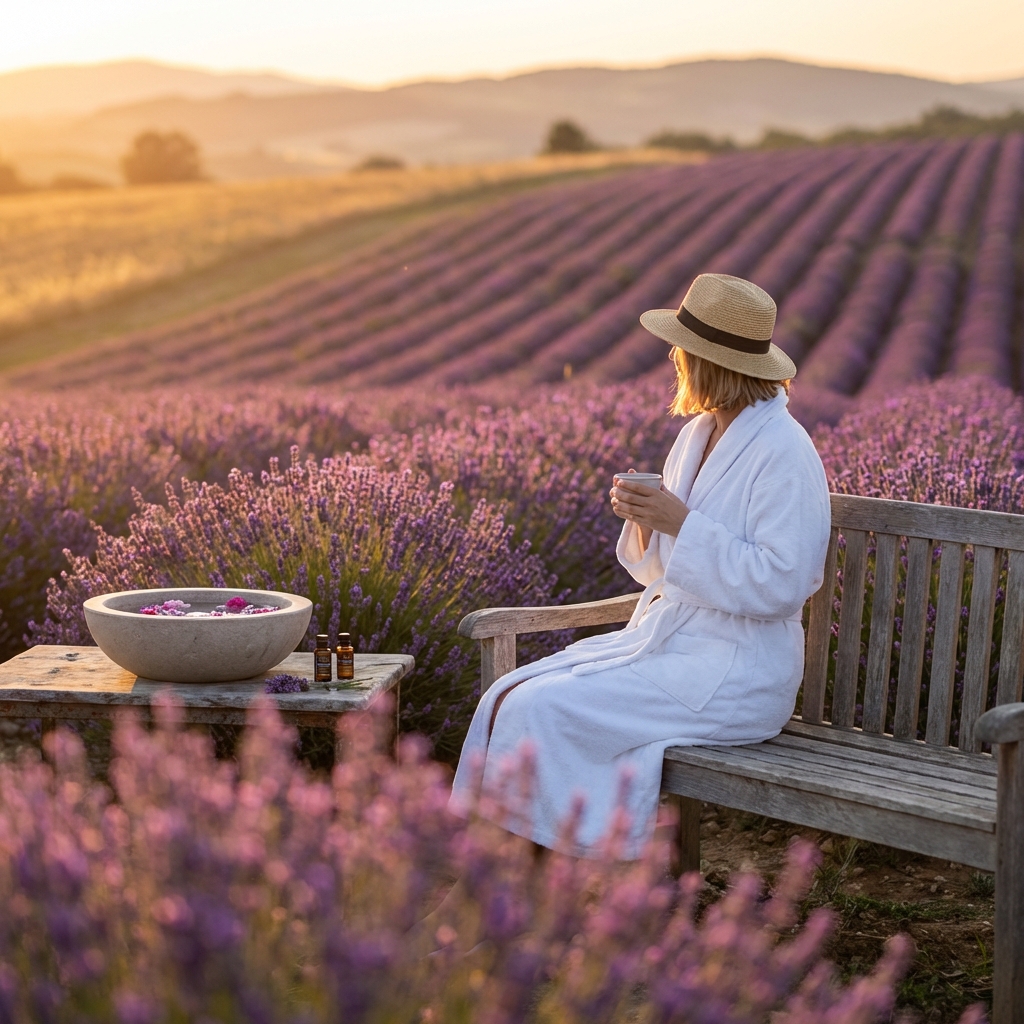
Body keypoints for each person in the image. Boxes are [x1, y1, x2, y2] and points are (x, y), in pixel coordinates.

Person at [451, 273, 831, 859]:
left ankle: (520, 881)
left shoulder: (785, 450)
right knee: (506, 694)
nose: (673, 358)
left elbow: (784, 583)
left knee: (541, 707)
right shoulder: (699, 434)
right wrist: (647, 522)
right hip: (679, 649)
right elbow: (661, 571)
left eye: (681, 349)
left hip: (738, 673)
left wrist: (682, 523)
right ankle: (495, 874)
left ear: (709, 362)